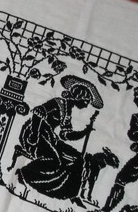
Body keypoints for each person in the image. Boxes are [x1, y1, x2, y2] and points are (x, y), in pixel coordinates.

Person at [13, 75, 104, 204]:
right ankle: (25, 173)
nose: (87, 105)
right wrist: (34, 135)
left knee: (78, 158)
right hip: (35, 132)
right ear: (78, 97)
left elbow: (65, 135)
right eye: (86, 101)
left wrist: (85, 131)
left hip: (49, 136)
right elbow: (37, 113)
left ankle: (71, 193)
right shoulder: (58, 102)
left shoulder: (67, 111)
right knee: (54, 160)